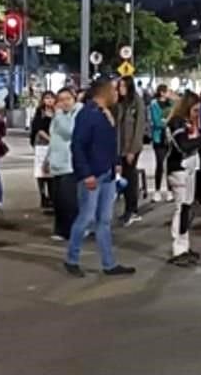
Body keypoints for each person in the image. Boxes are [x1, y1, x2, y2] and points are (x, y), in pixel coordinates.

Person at [64, 78, 135, 278]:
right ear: (102, 92)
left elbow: (107, 144)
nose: (117, 93)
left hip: (108, 173)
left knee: (104, 220)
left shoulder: (106, 114)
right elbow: (78, 146)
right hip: (93, 175)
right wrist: (85, 174)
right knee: (86, 218)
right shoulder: (88, 114)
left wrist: (115, 163)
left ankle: (109, 263)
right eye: (113, 89)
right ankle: (72, 259)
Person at [165, 93, 201, 266]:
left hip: (189, 168)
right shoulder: (177, 122)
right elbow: (183, 145)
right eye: (195, 109)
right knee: (181, 208)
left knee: (187, 208)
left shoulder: (188, 123)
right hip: (179, 169)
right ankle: (179, 248)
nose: (197, 113)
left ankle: (184, 245)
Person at [47, 88, 82, 241]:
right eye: (61, 99)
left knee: (69, 201)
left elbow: (69, 131)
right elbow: (53, 138)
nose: (64, 102)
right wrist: (47, 159)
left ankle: (73, 230)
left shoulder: (77, 113)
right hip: (56, 163)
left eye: (67, 98)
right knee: (58, 200)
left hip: (69, 163)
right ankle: (61, 230)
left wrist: (59, 114)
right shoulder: (59, 116)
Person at [115, 76, 146, 226]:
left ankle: (132, 210)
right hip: (119, 147)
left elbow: (139, 127)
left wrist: (132, 150)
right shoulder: (119, 103)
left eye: (123, 86)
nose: (121, 89)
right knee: (123, 178)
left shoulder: (136, 102)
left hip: (131, 147)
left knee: (130, 177)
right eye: (119, 86)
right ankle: (127, 209)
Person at [30, 91, 57, 211]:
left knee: (52, 172)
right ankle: (43, 196)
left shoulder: (58, 112)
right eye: (47, 98)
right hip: (42, 145)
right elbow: (38, 128)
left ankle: (52, 197)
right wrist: (49, 139)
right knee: (41, 172)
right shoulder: (39, 112)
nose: (49, 101)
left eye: (51, 98)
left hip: (55, 146)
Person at [149, 84, 174, 203]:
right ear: (162, 93)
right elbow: (156, 121)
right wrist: (166, 121)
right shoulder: (154, 105)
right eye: (167, 91)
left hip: (170, 137)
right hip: (159, 137)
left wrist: (167, 120)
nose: (169, 93)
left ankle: (169, 190)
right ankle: (157, 191)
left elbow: (174, 118)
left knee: (169, 165)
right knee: (159, 164)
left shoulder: (172, 104)